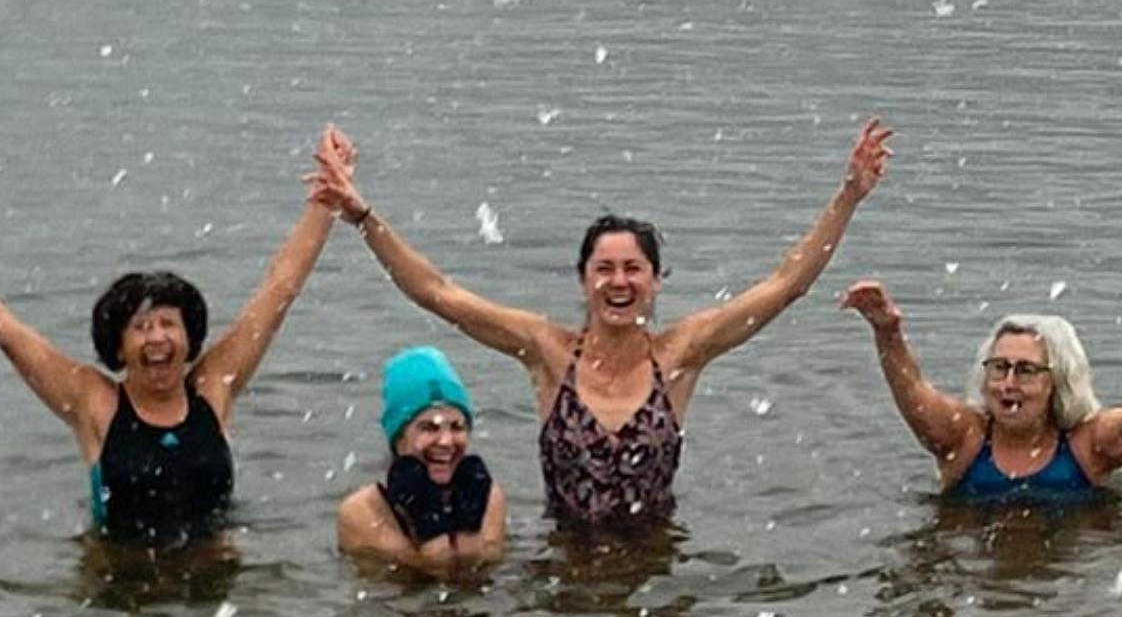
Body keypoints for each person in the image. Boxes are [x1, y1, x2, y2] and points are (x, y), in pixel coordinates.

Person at [307, 119, 893, 528]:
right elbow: (438, 293)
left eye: (633, 269)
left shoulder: (682, 352)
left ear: (656, 281)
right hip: (563, 565)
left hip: (655, 564)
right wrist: (363, 216)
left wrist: (849, 196)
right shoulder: (546, 351)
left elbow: (785, 285)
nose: (619, 282)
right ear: (583, 279)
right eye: (605, 269)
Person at [0, 126, 357, 546]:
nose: (157, 338)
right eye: (141, 327)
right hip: (120, 583)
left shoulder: (213, 388)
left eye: (168, 324)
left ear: (189, 338)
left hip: (212, 578)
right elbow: (7, 333)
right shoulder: (96, 403)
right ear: (118, 346)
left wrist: (326, 200)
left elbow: (279, 292)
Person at [839, 278, 1122, 500]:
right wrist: (887, 333)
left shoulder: (1091, 445)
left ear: (1058, 381)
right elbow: (913, 390)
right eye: (999, 368)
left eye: (1026, 371)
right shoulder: (962, 438)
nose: (1008, 384)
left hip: (1061, 587)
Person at [337, 347, 508, 575]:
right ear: (399, 437)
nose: (446, 441)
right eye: (429, 428)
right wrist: (426, 514)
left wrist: (469, 521)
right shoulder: (361, 511)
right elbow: (429, 572)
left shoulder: (488, 495)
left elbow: (480, 572)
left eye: (457, 427)